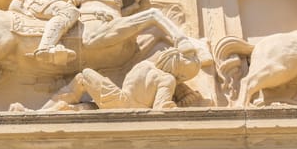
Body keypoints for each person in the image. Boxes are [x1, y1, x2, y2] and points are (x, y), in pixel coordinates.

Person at [37, 46, 201, 111]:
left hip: (122, 103)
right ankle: (49, 111)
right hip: (123, 103)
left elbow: (161, 107)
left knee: (84, 77)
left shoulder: (146, 64)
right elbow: (163, 107)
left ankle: (43, 111)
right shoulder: (167, 79)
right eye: (184, 76)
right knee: (84, 88)